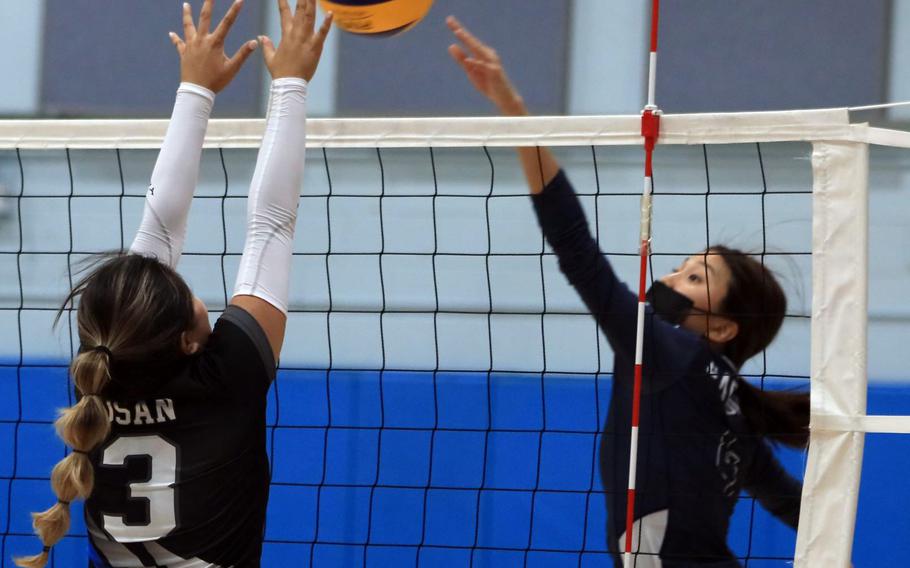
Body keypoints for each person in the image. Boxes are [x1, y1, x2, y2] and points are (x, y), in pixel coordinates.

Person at [447, 16, 809, 567]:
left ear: (721, 327)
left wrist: (514, 110)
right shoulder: (731, 403)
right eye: (679, 267)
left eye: (694, 278)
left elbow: (578, 253)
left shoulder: (669, 353)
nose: (668, 279)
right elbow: (795, 505)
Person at [15, 1, 332, 566]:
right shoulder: (220, 373)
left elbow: (253, 230)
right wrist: (285, 86)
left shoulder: (101, 383)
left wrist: (204, 89)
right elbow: (265, 225)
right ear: (188, 340)